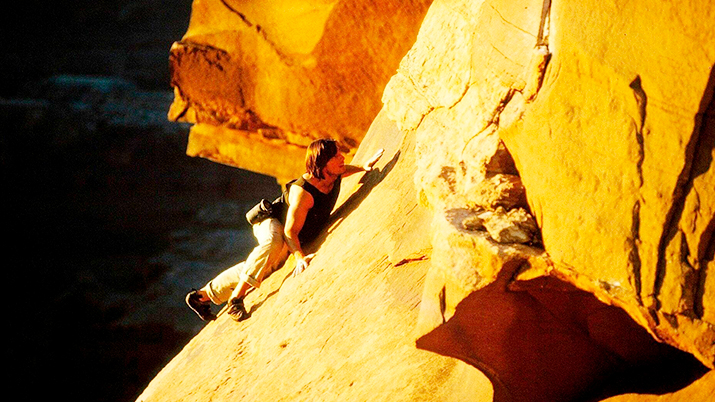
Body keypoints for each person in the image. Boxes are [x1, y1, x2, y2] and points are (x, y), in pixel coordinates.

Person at [186, 138, 384, 322]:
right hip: (271, 222)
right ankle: (235, 300)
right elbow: (289, 232)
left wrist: (362, 166)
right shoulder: (304, 192)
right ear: (323, 164)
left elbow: (342, 170)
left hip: (288, 231)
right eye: (336, 156)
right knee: (274, 244)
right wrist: (299, 257)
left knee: (262, 264)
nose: (342, 158)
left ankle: (202, 296)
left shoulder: (332, 173)